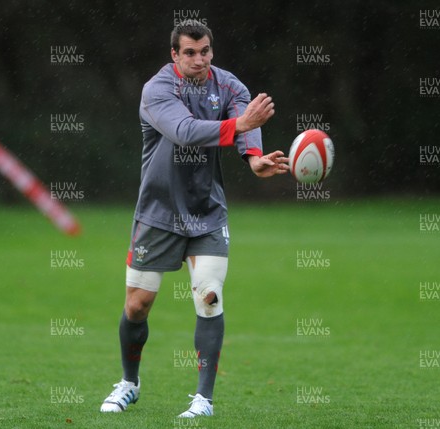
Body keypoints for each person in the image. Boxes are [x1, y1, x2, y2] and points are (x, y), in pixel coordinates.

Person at [100, 21, 289, 418]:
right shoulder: (157, 91)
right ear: (174, 55)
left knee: (209, 296)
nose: (198, 59)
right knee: (137, 306)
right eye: (189, 52)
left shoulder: (229, 86)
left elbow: (245, 123)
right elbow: (185, 131)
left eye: (204, 51)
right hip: (157, 212)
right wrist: (240, 126)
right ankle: (129, 383)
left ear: (211, 51)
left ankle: (203, 398)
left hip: (206, 211)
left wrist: (254, 158)